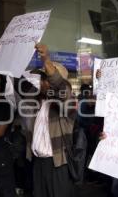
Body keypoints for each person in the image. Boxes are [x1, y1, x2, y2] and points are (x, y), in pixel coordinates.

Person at [21, 44, 76, 197]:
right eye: (42, 78)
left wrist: (46, 59)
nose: (42, 82)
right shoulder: (38, 102)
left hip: (57, 164)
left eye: (46, 78)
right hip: (38, 163)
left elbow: (61, 87)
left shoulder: (67, 104)